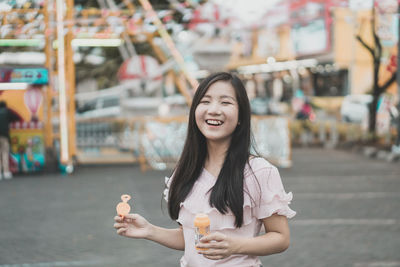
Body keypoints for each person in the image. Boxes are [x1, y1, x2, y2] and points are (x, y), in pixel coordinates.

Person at [114, 72, 296, 266]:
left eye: (225, 102)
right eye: (205, 101)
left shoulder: (259, 171)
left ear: (241, 115)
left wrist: (236, 246)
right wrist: (149, 231)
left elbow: (280, 238)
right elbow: (192, 240)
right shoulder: (186, 170)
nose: (214, 110)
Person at [0, 101, 19, 180]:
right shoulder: (7, 111)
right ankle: (6, 172)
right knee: (4, 154)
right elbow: (16, 118)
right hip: (5, 136)